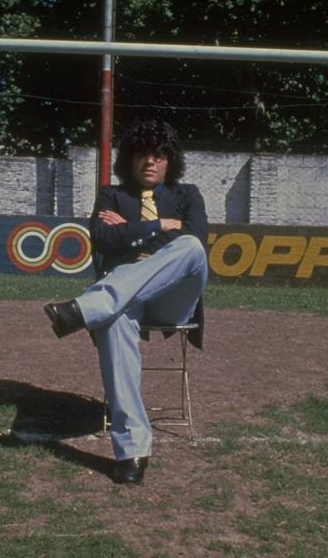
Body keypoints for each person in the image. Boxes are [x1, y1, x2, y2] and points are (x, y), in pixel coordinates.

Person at [43, 119, 208, 485]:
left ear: (170, 162)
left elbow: (194, 240)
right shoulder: (111, 196)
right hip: (126, 301)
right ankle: (132, 450)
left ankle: (83, 310)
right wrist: (159, 226)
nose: (150, 161)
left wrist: (133, 233)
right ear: (129, 160)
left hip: (173, 296)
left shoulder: (189, 195)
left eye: (159, 155)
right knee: (115, 318)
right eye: (142, 154)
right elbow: (102, 238)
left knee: (192, 248)